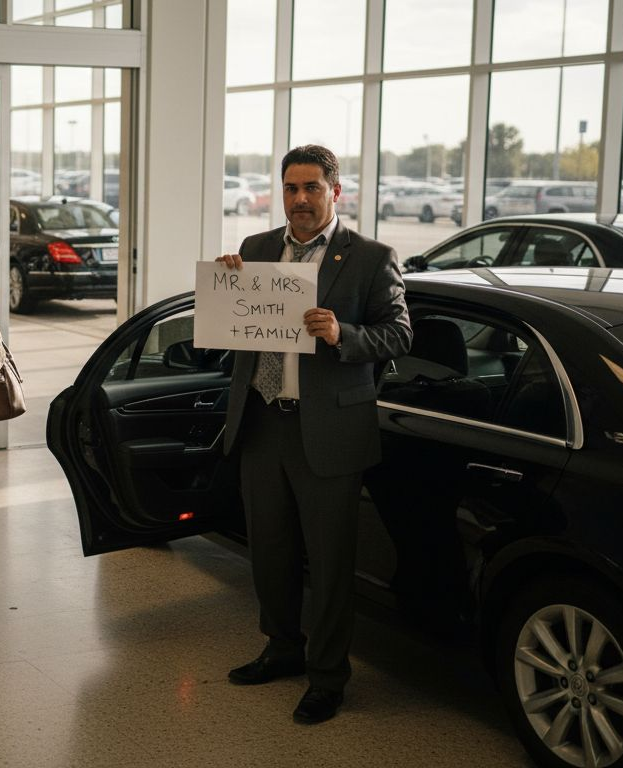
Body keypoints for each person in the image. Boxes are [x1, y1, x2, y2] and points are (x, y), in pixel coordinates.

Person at [217, 144, 412, 725]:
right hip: (262, 422)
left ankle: (328, 677)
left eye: (312, 189)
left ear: (335, 192)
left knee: (329, 563)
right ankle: (282, 647)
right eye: (291, 188)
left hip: (327, 429)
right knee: (269, 552)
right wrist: (228, 291)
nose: (300, 199)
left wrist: (342, 333)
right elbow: (237, 330)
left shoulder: (371, 257)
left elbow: (400, 334)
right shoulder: (255, 250)